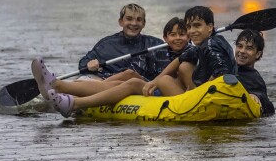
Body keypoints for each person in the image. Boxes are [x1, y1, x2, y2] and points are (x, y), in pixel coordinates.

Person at [31, 17, 190, 113]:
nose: (178, 38)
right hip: (159, 86)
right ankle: (59, 88)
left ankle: (65, 92)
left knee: (133, 82)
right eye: (173, 35)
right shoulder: (162, 49)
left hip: (174, 92)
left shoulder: (190, 51)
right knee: (128, 74)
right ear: (165, 37)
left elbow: (171, 75)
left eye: (182, 35)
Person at [141, 5, 237, 97]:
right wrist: (154, 81)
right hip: (210, 91)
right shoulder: (205, 44)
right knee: (183, 66)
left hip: (221, 95)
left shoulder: (211, 44)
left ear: (210, 27)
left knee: (164, 81)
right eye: (189, 27)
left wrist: (200, 94)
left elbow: (221, 72)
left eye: (197, 25)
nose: (192, 31)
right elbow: (180, 59)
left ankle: (190, 102)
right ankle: (191, 97)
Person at [77, 3, 164, 80]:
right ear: (121, 22)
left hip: (142, 88)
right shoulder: (106, 44)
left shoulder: (156, 44)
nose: (134, 23)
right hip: (108, 86)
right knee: (84, 78)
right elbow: (82, 64)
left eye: (139, 20)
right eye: (129, 19)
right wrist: (89, 65)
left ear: (144, 24)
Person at [234, 29, 275, 117]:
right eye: (240, 46)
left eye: (249, 48)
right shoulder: (225, 68)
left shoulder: (255, 79)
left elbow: (265, 101)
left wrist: (255, 96)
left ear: (258, 54)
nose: (242, 51)